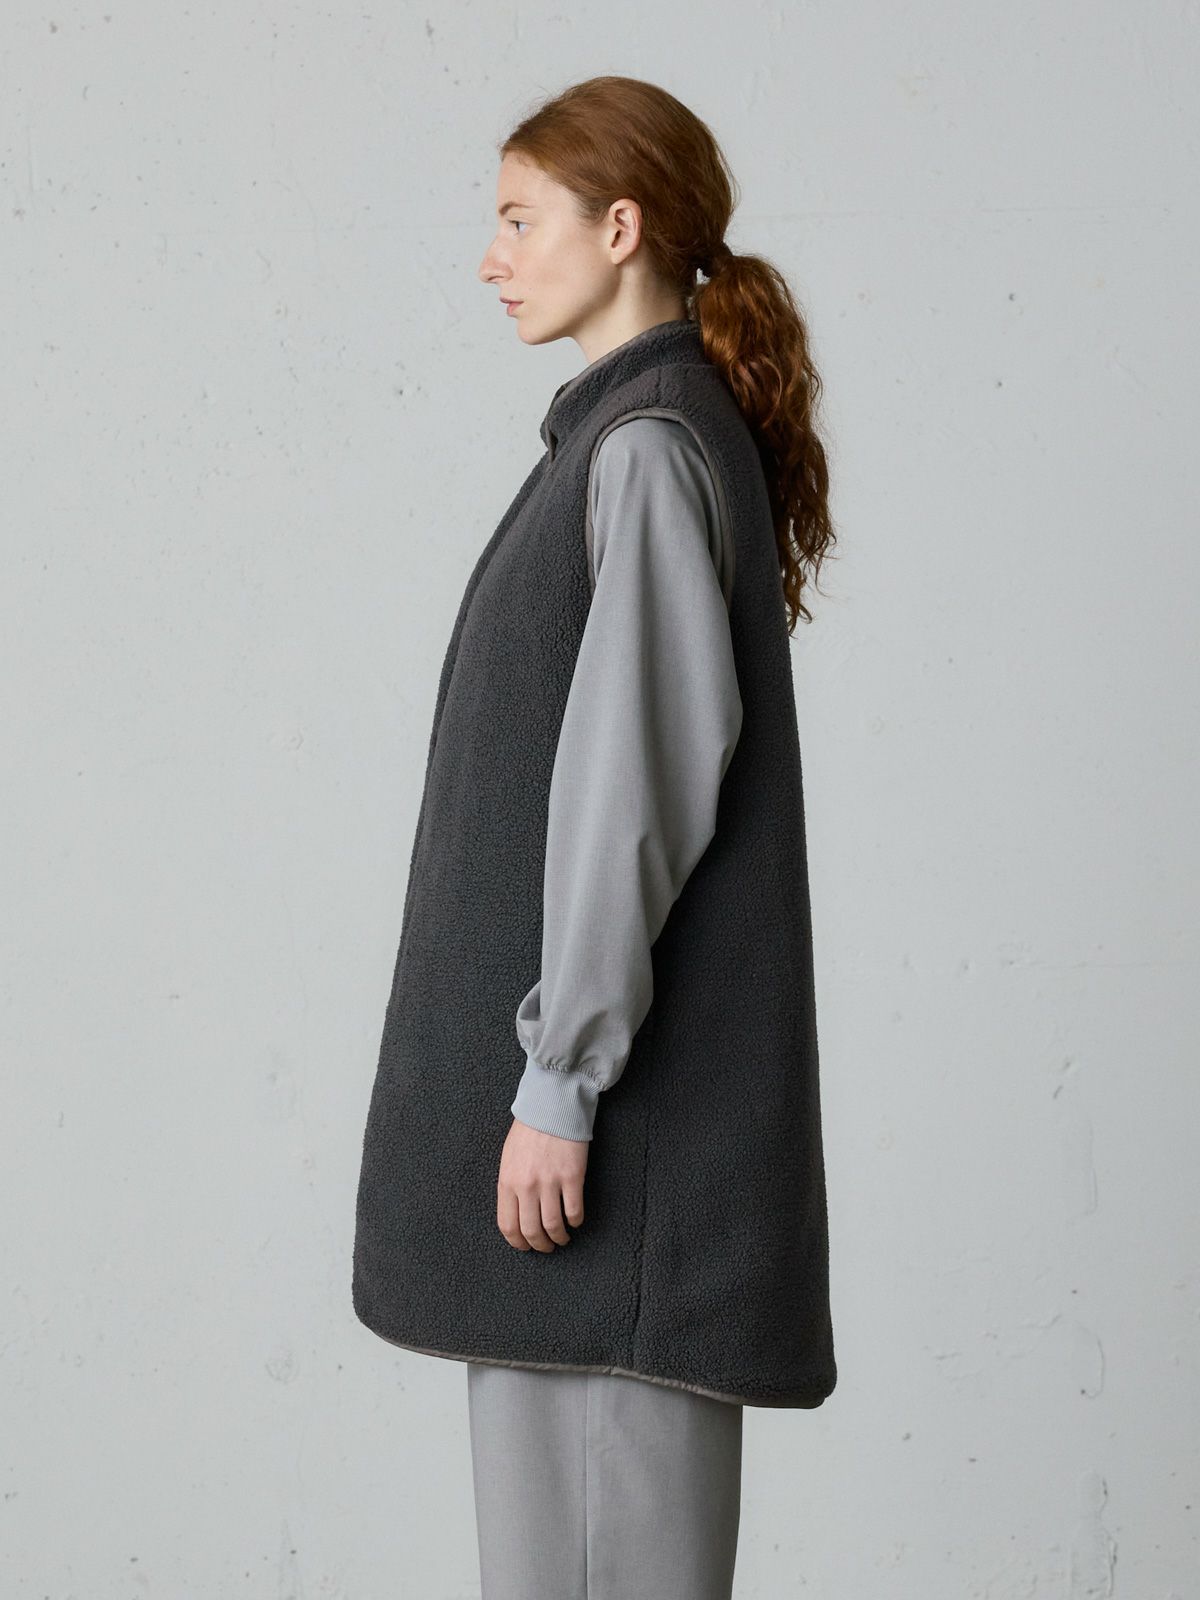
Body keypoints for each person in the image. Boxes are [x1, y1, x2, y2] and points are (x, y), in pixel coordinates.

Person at [352, 74, 839, 1600]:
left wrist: (559, 1080)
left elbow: (635, 792)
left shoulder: (643, 447)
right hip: (596, 1167)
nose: (491, 258)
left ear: (620, 228)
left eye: (519, 220)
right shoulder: (627, 438)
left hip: (611, 1166)